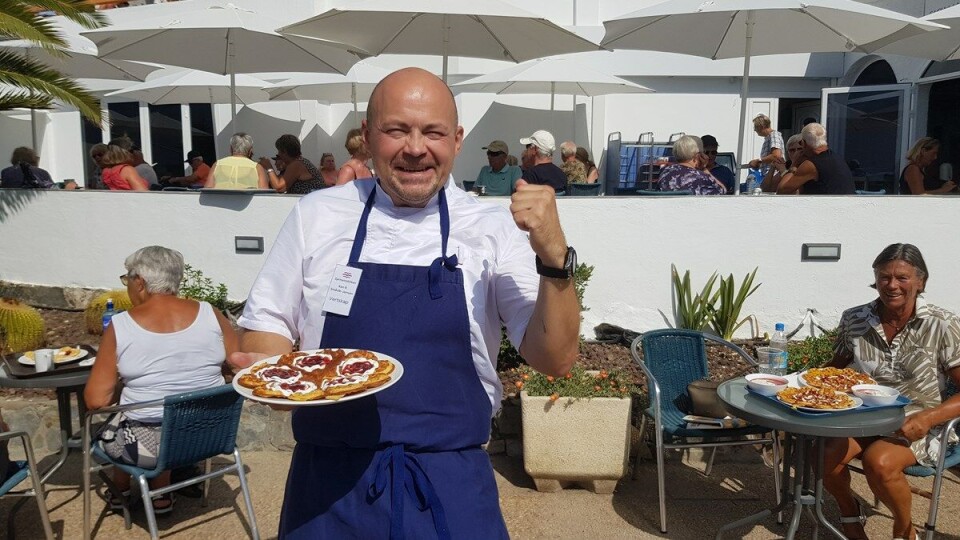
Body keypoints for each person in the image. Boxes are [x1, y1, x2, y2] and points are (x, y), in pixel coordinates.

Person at [231, 67, 579, 538]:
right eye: (397, 130)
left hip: (449, 487)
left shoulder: (492, 229)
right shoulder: (317, 214)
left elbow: (554, 358)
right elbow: (268, 320)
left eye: (432, 132)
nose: (415, 148)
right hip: (327, 493)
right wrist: (275, 378)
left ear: (456, 140)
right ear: (369, 136)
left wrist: (555, 258)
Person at [84, 246, 238, 514]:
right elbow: (238, 362)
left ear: (140, 282)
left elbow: (96, 401)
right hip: (208, 437)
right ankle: (159, 495)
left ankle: (123, 490)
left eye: (127, 279)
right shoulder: (211, 313)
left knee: (111, 423)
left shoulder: (122, 326)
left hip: (151, 449)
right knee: (153, 418)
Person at [822, 243, 960, 540]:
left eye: (902, 277)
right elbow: (836, 366)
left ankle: (904, 529)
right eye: (884, 277)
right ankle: (849, 513)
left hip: (919, 422)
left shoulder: (942, 324)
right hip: (862, 415)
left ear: (920, 281)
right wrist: (806, 383)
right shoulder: (855, 319)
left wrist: (929, 417)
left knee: (880, 463)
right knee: (824, 454)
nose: (892, 285)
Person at [776, 123, 855, 195]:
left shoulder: (812, 165)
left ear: (804, 143)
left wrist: (794, 164)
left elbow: (782, 191)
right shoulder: (837, 158)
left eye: (800, 143)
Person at [656, 135, 726, 195]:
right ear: (698, 155)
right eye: (704, 152)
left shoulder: (665, 172)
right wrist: (704, 169)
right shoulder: (701, 177)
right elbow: (722, 190)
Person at [260, 134, 324, 194]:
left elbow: (279, 188)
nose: (278, 154)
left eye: (279, 151)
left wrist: (269, 167)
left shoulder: (296, 165)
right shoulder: (301, 162)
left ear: (284, 152)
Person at [748, 114, 784, 181]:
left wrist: (759, 161)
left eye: (755, 127)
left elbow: (776, 156)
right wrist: (759, 164)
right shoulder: (769, 137)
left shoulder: (774, 135)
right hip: (769, 175)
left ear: (762, 126)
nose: (754, 130)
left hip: (774, 176)